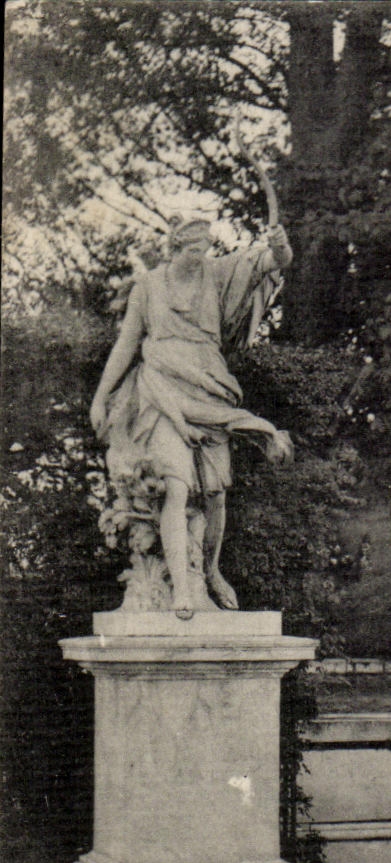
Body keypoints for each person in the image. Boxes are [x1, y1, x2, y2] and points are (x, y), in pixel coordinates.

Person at [89, 219, 294, 615]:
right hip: (162, 391)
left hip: (210, 387)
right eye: (191, 250)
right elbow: (127, 343)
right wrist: (101, 397)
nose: (199, 257)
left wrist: (281, 245)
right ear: (174, 249)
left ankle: (211, 571)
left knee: (215, 494)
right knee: (176, 486)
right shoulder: (148, 287)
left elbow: (274, 262)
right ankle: (182, 589)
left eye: (204, 249)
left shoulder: (216, 275)